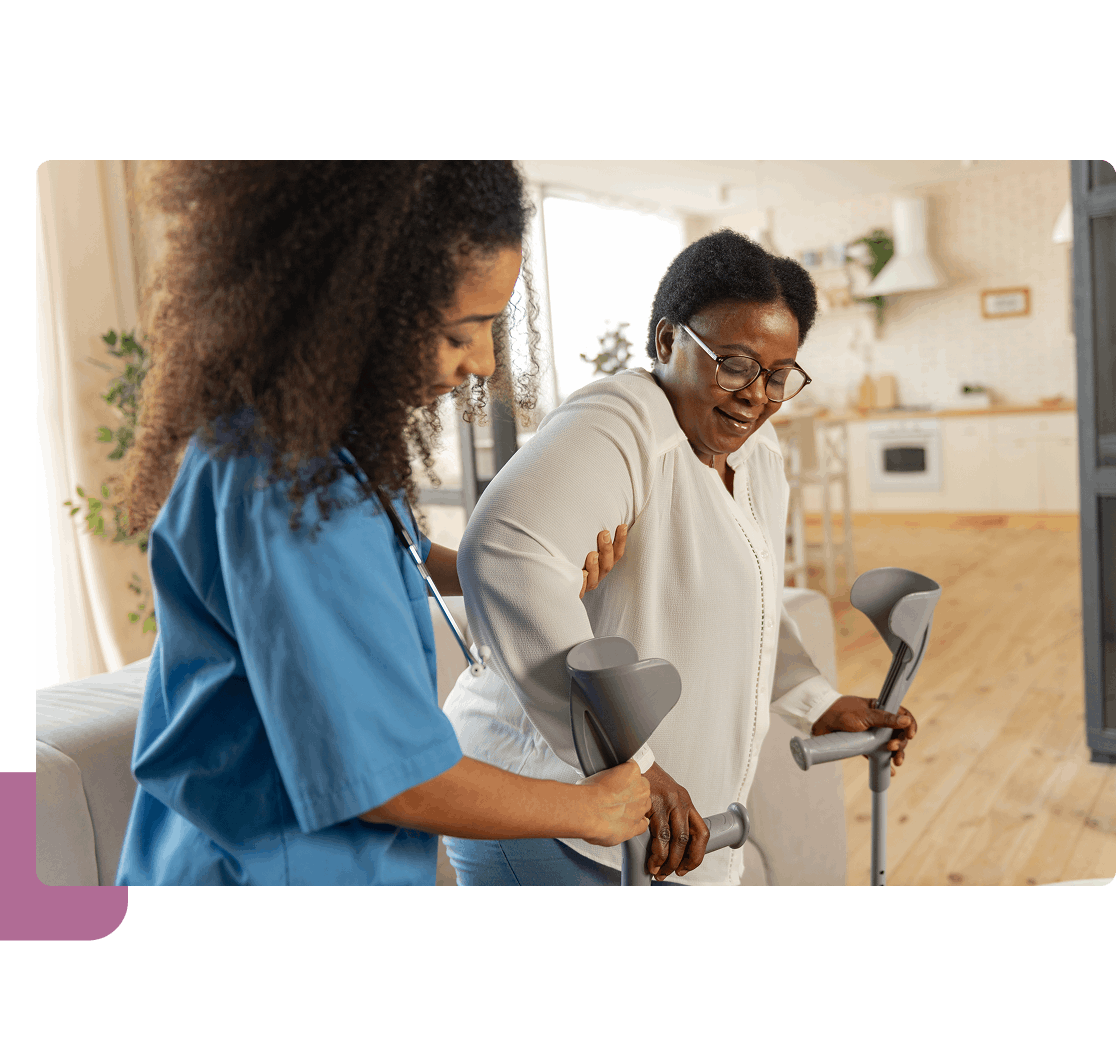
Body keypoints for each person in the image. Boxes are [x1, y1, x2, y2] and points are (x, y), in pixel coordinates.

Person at [111, 161, 651, 886]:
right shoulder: (290, 486)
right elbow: (392, 781)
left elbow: (397, 553)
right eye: (462, 333)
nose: (485, 363)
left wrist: (520, 569)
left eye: (493, 327)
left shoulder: (323, 446)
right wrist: (587, 809)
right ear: (357, 304)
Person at [441, 229, 919, 886]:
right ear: (668, 342)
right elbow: (502, 553)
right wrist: (627, 762)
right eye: (734, 362)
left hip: (655, 836)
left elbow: (748, 605)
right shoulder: (624, 418)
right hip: (553, 816)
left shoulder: (757, 456)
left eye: (780, 376)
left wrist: (817, 700)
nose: (757, 394)